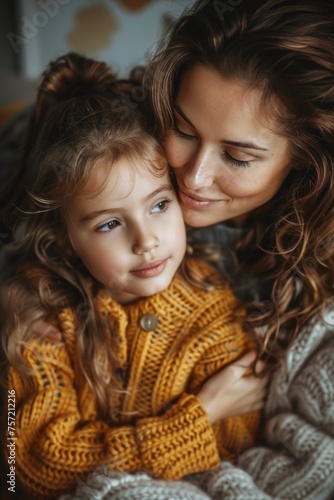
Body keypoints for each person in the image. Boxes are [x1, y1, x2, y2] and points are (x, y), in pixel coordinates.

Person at [66, 0, 334, 498]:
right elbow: (24, 461)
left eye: (236, 155)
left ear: (306, 158)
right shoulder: (103, 150)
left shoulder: (312, 274)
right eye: (184, 131)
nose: (193, 176)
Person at [0, 53, 266, 499]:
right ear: (65, 239)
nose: (146, 241)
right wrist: (198, 416)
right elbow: (26, 464)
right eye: (109, 224)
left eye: (159, 205)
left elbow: (234, 449)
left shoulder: (215, 312)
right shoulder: (40, 317)